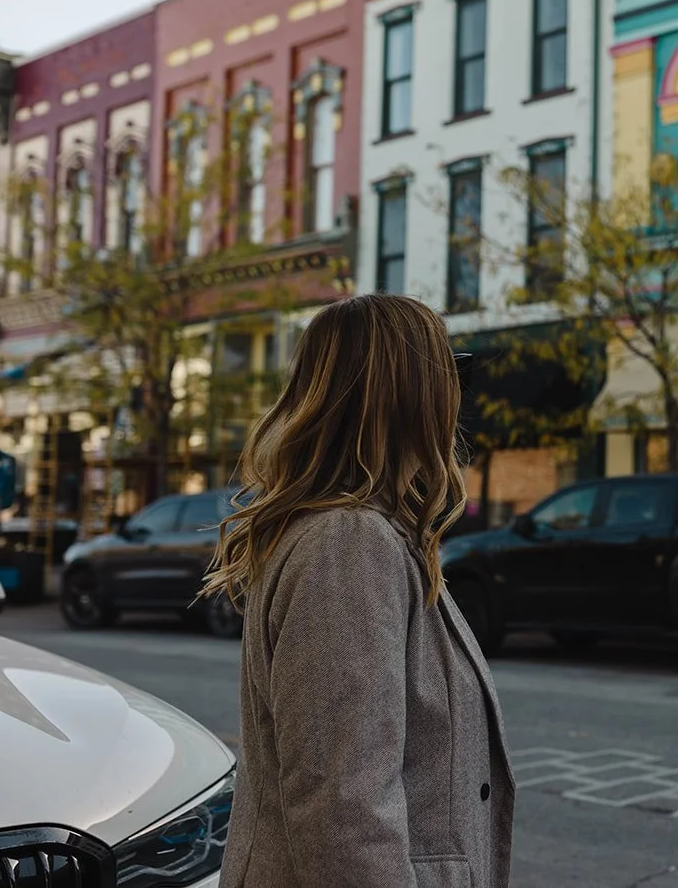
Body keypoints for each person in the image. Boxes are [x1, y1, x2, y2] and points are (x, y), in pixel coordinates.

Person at [204, 293, 513, 888]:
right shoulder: (348, 542)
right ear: (413, 393)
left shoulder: (366, 532)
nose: (458, 397)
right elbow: (342, 805)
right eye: (454, 372)